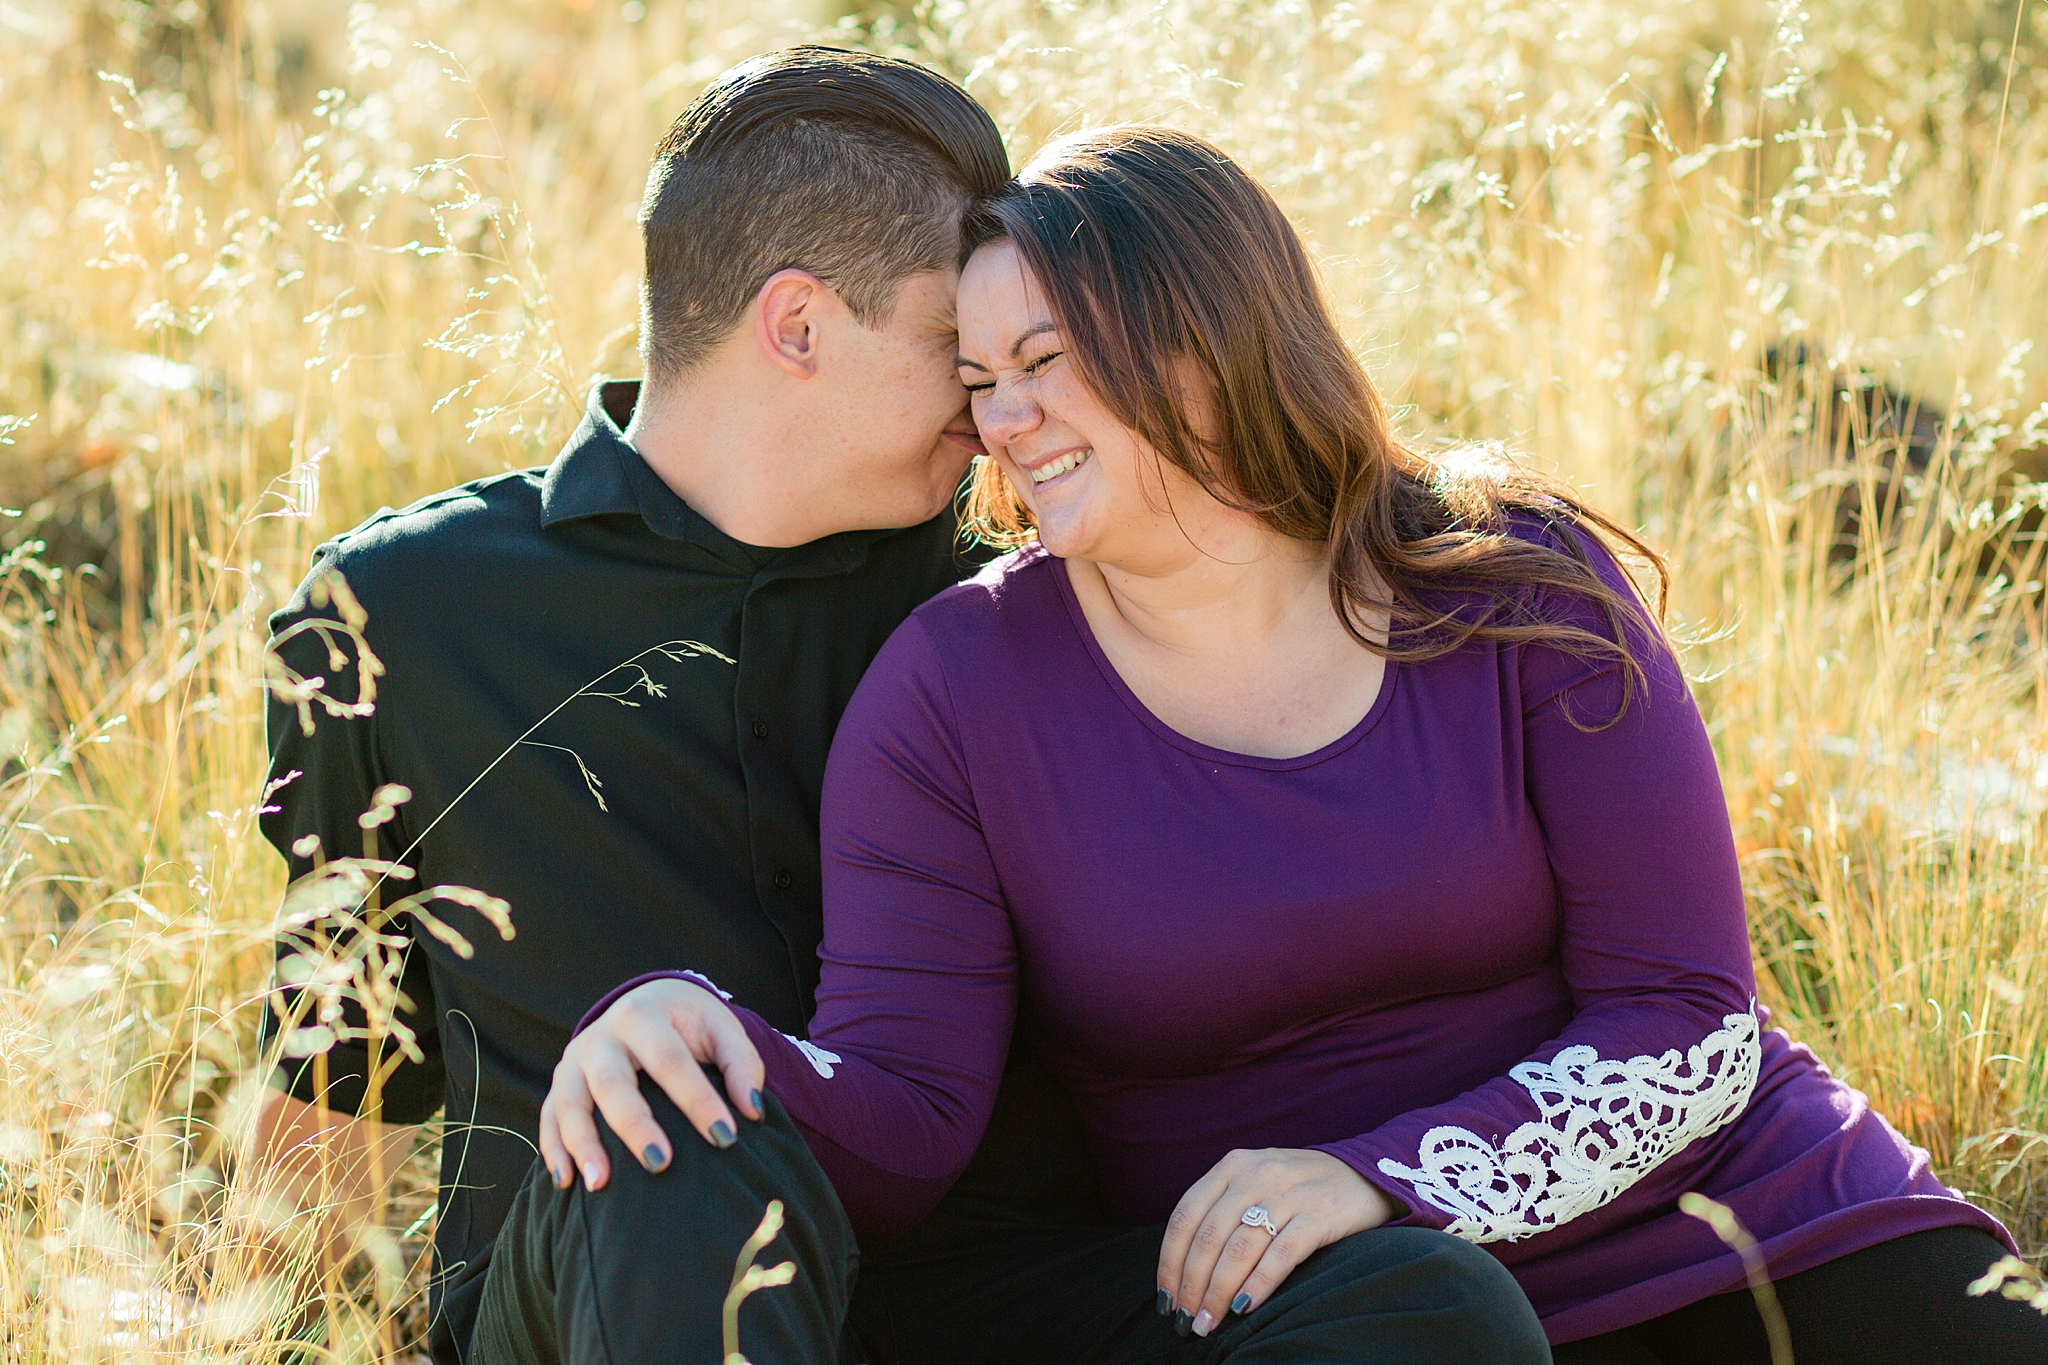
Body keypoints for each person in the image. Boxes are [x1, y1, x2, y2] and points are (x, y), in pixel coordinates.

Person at [551, 126, 2048, 1365]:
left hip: (1736, 1212)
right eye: (981, 377)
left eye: (1050, 357)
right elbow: (909, 1117)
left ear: (1202, 339)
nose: (1006, 417)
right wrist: (699, 1034)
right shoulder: (954, 688)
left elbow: (1688, 1019)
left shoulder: (1508, 577)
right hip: (1349, 1318)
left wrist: (1376, 1174)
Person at [250, 52, 1546, 1365]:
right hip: (632, 1282)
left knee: (1428, 1303)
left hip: (1000, 1299)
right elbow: (334, 1093)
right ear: (801, 325)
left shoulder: (1027, 591)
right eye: (960, 355)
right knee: (677, 1125)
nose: (1005, 422)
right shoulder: (399, 615)